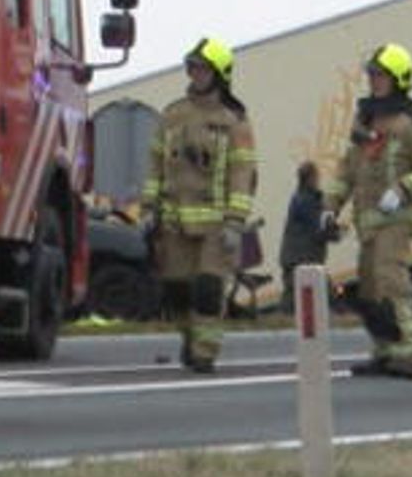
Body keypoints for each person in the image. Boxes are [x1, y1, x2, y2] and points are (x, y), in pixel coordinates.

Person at [323, 44, 412, 379]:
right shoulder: (366, 121)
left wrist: (403, 190)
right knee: (370, 288)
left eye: (380, 76)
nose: (374, 82)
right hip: (368, 220)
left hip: (397, 217)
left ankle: (410, 352)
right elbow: (348, 170)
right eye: (372, 76)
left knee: (392, 277)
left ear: (398, 79)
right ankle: (385, 350)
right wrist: (329, 208)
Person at [141, 37, 257, 374]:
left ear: (218, 74)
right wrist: (149, 208)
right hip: (175, 222)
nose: (195, 75)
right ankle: (190, 339)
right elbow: (155, 164)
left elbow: (243, 172)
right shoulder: (173, 115)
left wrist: (236, 221)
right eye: (192, 68)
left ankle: (205, 352)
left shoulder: (234, 122)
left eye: (202, 69)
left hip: (216, 225)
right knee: (177, 290)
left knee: (208, 289)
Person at [278, 161, 332, 312]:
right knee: (316, 297)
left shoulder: (301, 198)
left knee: (295, 299)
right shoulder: (306, 200)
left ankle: (284, 324)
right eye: (316, 177)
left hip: (298, 259)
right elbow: (318, 228)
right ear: (311, 178)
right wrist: (335, 232)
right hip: (302, 260)